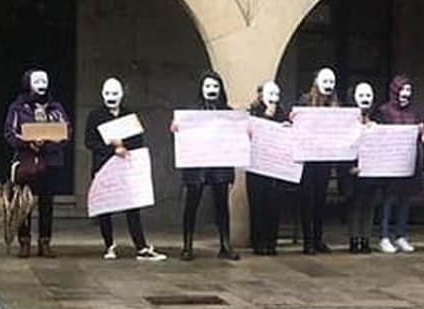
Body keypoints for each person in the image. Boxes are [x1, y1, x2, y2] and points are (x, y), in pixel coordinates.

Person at [84, 77, 164, 261]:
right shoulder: (95, 115)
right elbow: (89, 141)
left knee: (132, 206)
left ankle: (141, 246)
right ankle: (109, 245)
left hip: (126, 167)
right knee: (105, 207)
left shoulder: (129, 115)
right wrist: (111, 147)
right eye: (107, 93)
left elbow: (137, 139)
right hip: (104, 166)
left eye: (115, 93)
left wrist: (123, 146)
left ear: (121, 95)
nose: (111, 97)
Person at [3, 68, 70, 259]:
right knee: (24, 203)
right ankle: (24, 242)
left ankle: (45, 242)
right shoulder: (18, 108)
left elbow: (65, 132)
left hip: (50, 161)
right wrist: (28, 143)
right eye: (37, 81)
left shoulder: (56, 108)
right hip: (27, 161)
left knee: (47, 203)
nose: (41, 85)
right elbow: (9, 132)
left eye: (44, 81)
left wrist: (47, 142)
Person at [174, 71, 239, 261]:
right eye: (208, 86)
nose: (212, 90)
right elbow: (182, 132)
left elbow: (235, 137)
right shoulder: (192, 112)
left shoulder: (228, 113)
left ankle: (225, 245)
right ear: (201, 89)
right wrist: (177, 128)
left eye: (215, 87)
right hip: (197, 166)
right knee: (191, 205)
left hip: (219, 164)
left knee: (222, 205)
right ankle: (187, 246)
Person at [294, 68, 339, 255]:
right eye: (325, 81)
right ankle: (308, 241)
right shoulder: (305, 102)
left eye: (331, 82)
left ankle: (318, 238)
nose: (328, 86)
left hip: (324, 160)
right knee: (308, 200)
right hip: (308, 160)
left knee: (321, 199)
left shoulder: (336, 106)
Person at [373, 75, 420, 254]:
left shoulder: (413, 112)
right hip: (390, 165)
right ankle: (384, 236)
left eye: (408, 90)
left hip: (408, 163)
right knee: (388, 200)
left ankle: (401, 235)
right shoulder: (384, 111)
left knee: (404, 200)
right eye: (402, 89)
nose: (405, 94)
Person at [246, 81, 288, 255]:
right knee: (258, 205)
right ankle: (258, 241)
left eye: (276, 95)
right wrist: (266, 118)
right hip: (257, 168)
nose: (274, 99)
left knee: (274, 205)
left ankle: (271, 241)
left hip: (275, 168)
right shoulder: (253, 113)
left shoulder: (282, 113)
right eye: (270, 95)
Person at [344, 81, 380, 253]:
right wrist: (350, 166)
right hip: (354, 172)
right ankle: (354, 239)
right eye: (362, 95)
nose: (365, 99)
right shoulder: (347, 120)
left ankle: (365, 239)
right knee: (355, 207)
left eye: (368, 96)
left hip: (371, 172)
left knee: (369, 206)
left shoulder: (377, 118)